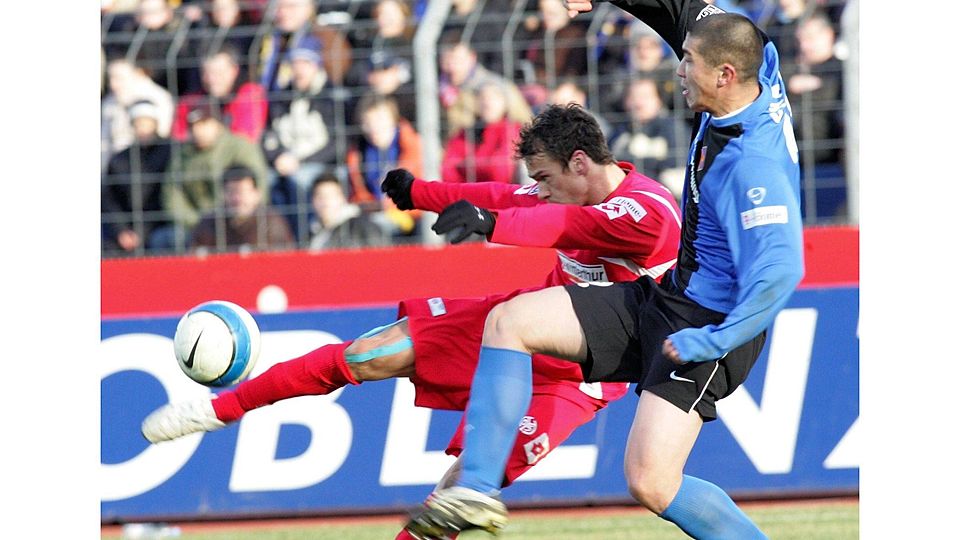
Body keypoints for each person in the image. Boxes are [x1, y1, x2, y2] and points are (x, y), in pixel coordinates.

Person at [140, 103, 682, 540]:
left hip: (584, 375)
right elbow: (502, 194)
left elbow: (562, 224)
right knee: (367, 354)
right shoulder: (560, 186)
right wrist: (418, 193)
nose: (537, 189)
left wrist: (492, 225)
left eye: (543, 178)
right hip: (523, 321)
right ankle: (219, 410)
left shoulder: (648, 212)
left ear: (580, 163)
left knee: (456, 500)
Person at [404, 3, 804, 539]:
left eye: (687, 62)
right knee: (511, 321)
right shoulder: (754, 68)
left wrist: (715, 341)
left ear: (725, 75)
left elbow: (781, 270)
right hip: (664, 295)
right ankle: (474, 492)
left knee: (651, 482)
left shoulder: (752, 165)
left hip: (709, 325)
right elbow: (680, 8)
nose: (677, 68)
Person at [160, 103, 270, 247]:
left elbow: (258, 185)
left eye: (204, 123)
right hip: (195, 224)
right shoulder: (182, 156)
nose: (198, 130)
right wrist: (196, 221)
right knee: (165, 238)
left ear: (217, 123)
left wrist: (236, 217)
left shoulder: (239, 147)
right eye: (193, 126)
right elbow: (172, 194)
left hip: (237, 222)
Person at [345, 94, 424, 240]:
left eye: (380, 120)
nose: (374, 127)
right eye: (367, 122)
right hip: (373, 214)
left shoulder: (414, 146)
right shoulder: (357, 154)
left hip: (413, 215)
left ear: (393, 120)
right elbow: (360, 195)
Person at [101, 99, 173, 255]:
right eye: (138, 123)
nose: (142, 128)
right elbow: (109, 199)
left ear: (155, 123)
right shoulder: (119, 159)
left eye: (146, 122)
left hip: (161, 226)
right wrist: (121, 230)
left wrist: (144, 232)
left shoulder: (172, 152)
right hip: (125, 230)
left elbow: (169, 197)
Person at [171, 45, 268, 143]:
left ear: (234, 71)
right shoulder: (196, 99)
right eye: (207, 73)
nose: (212, 79)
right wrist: (195, 135)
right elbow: (177, 133)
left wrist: (214, 134)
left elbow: (245, 139)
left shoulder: (250, 94)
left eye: (219, 73)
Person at [607, 77, 684, 198]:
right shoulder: (619, 133)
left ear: (658, 100)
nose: (639, 103)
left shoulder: (672, 128)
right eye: (633, 97)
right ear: (625, 101)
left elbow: (676, 165)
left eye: (645, 97)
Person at [190, 165, 296, 252]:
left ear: (256, 194)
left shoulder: (271, 224)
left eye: (242, 192)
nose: (237, 199)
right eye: (231, 192)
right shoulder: (210, 223)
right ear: (222, 194)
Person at [440, 81, 529, 185]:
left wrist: (467, 165)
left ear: (506, 102)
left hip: (501, 195)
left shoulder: (513, 130)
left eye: (494, 97)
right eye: (482, 97)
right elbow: (447, 170)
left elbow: (499, 172)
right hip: (466, 195)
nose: (487, 103)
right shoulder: (466, 132)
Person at [307, 173, 388, 250]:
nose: (325, 201)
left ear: (342, 198)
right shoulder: (311, 233)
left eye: (331, 195)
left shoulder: (362, 228)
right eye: (320, 196)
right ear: (313, 201)